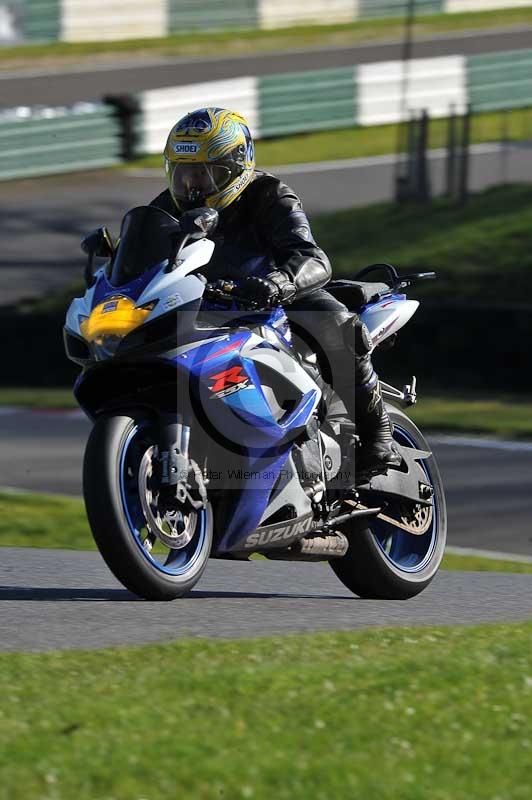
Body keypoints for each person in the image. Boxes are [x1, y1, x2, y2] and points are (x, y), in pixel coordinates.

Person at [150, 107, 400, 475]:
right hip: (204, 307)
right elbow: (144, 261)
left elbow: (312, 258)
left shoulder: (269, 194)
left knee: (337, 326)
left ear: (236, 167)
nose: (192, 187)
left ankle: (378, 433)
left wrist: (279, 282)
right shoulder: (164, 209)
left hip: (278, 299)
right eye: (184, 174)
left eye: (205, 174)